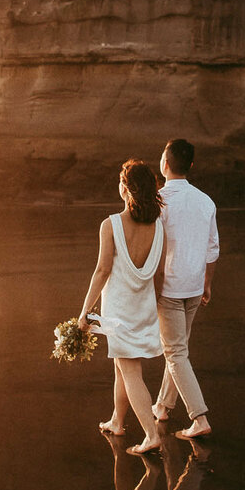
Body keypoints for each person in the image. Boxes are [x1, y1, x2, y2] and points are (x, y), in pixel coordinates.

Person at [78, 158, 166, 454]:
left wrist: (84, 312)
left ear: (126, 190)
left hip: (119, 312)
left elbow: (102, 271)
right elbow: (160, 275)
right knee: (122, 367)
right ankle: (117, 420)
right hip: (144, 309)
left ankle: (152, 435)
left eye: (120, 181)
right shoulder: (159, 228)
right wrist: (155, 307)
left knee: (131, 372)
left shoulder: (111, 224)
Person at [151, 138, 217, 439]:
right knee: (179, 350)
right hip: (193, 284)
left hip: (169, 287)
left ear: (165, 165)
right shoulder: (206, 201)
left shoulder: (159, 201)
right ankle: (163, 406)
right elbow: (213, 248)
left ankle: (199, 417)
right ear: (190, 166)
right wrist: (207, 283)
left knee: (175, 352)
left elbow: (151, 249)